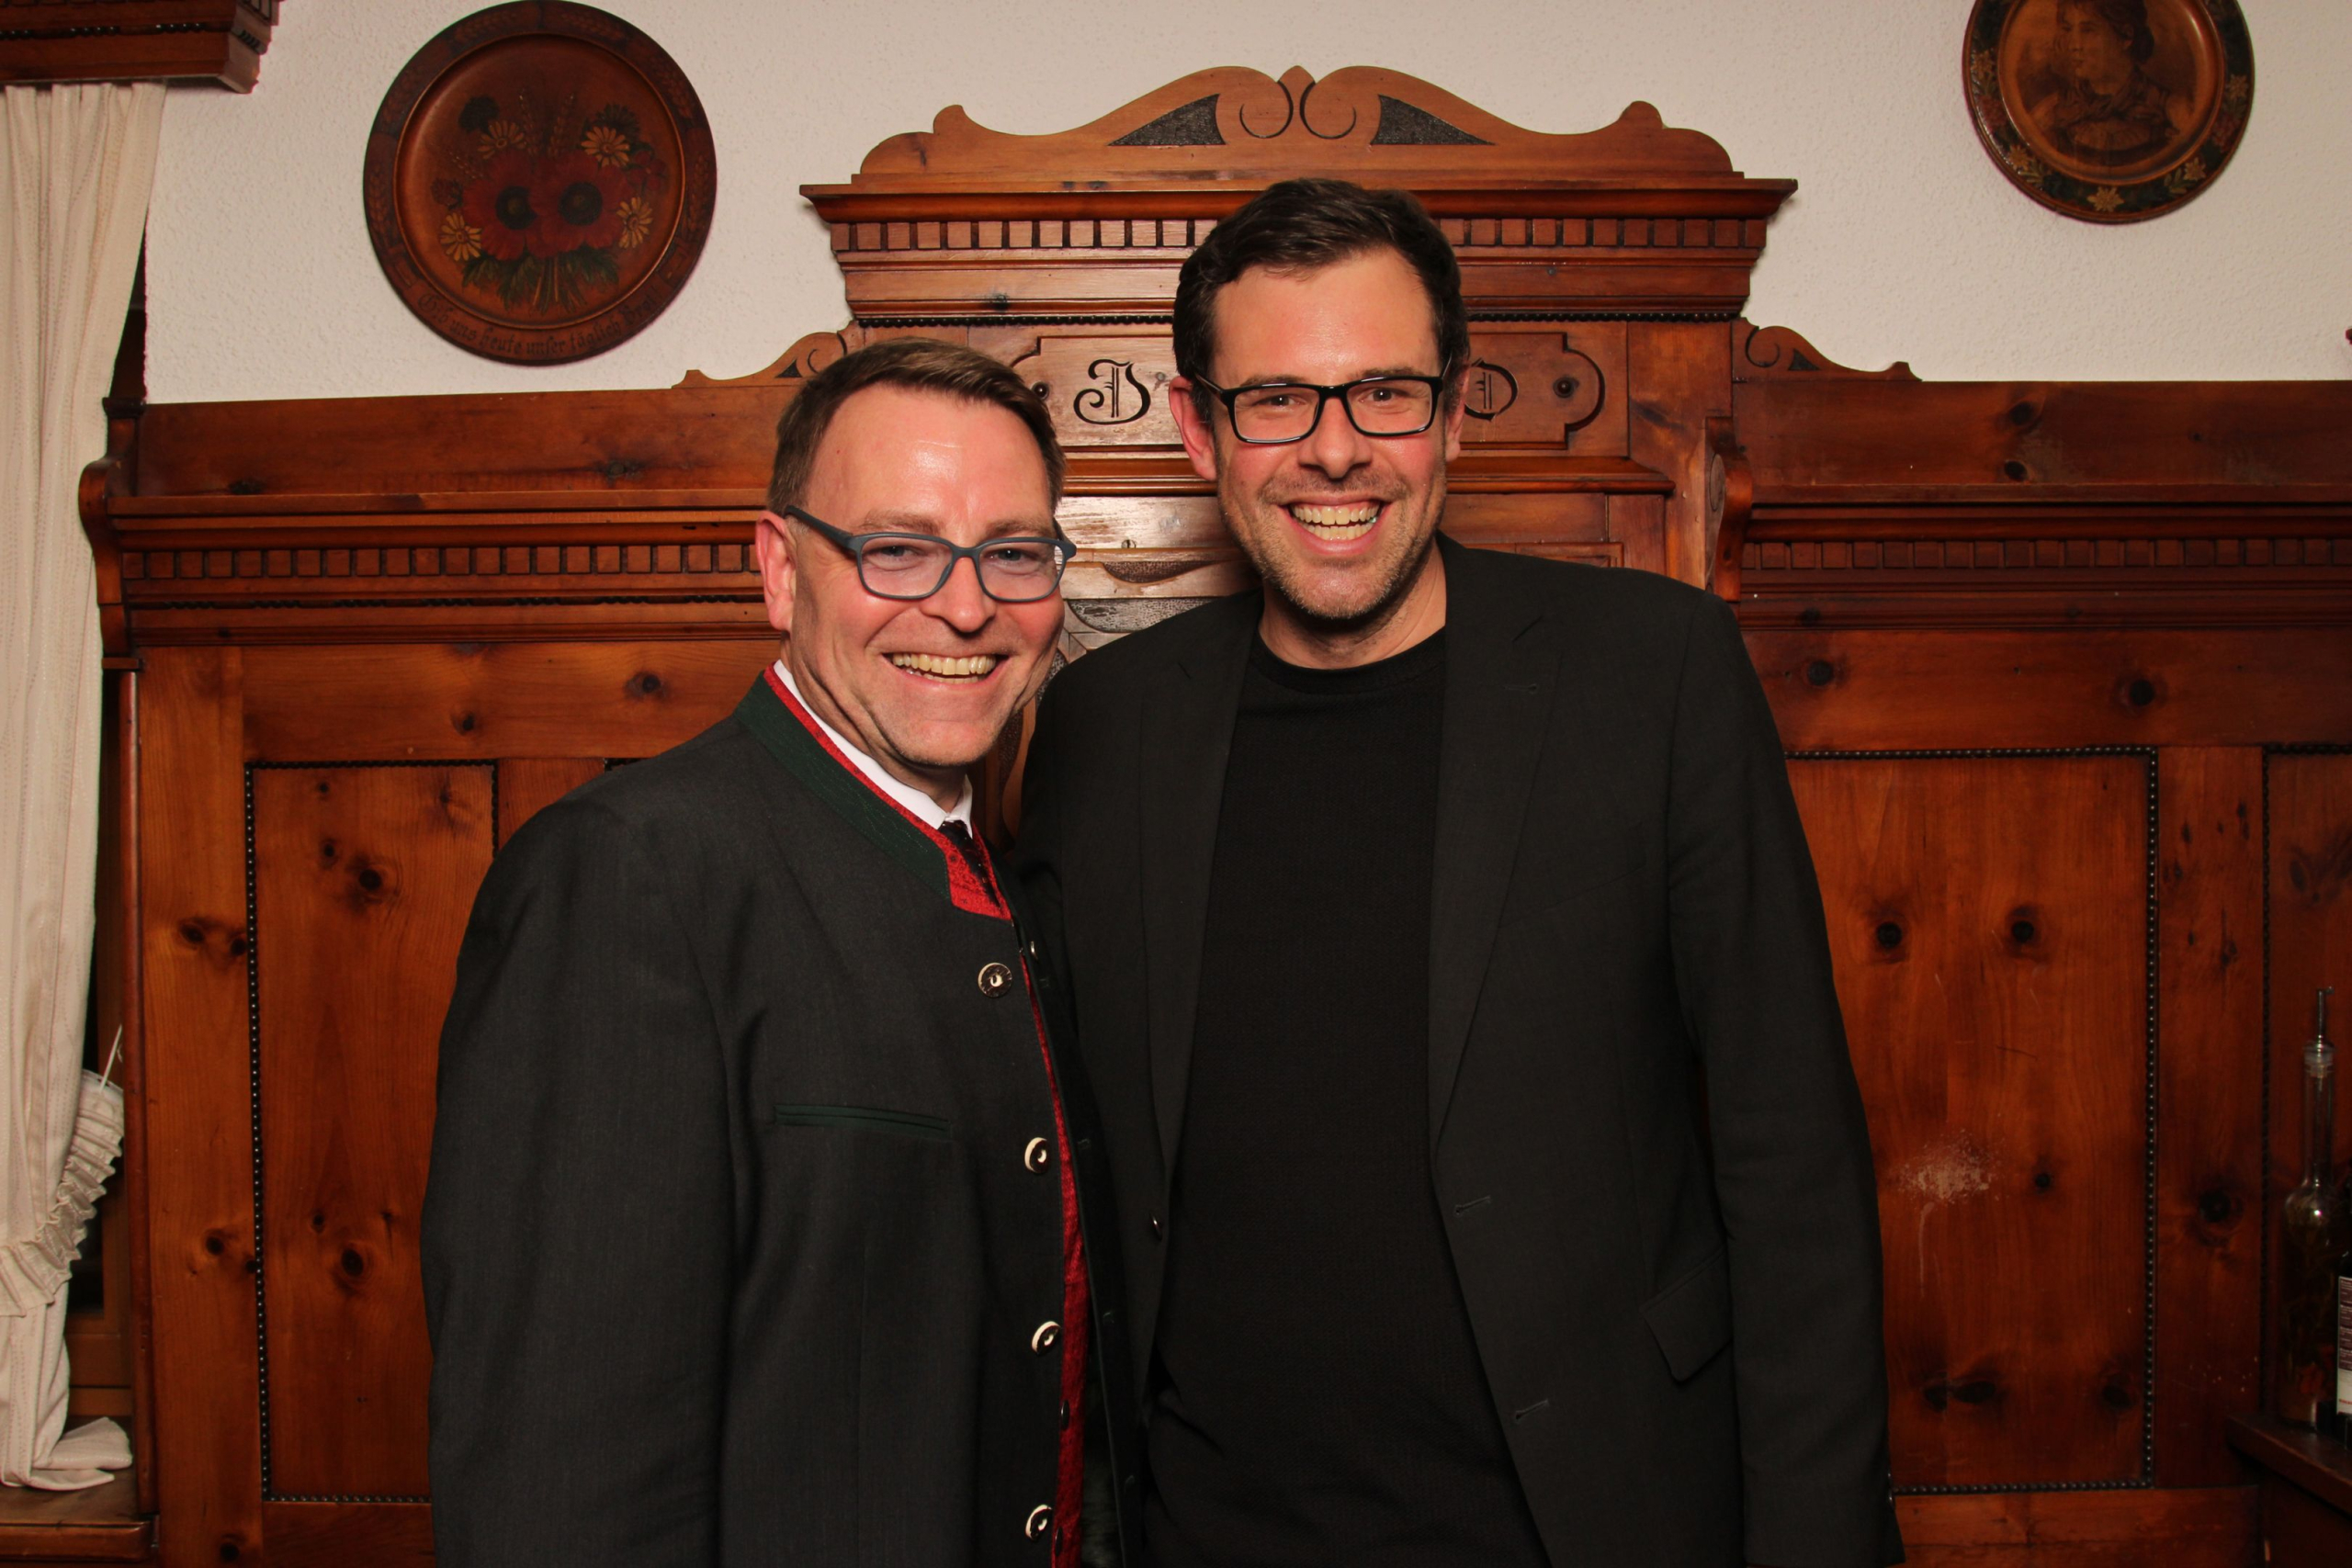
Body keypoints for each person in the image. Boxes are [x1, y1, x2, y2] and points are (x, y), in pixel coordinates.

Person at [1012, 178, 1902, 1568]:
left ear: (1454, 410)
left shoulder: (1653, 675)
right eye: (1276, 400)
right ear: (1198, 428)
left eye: (1385, 393)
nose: (1336, 451)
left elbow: (1791, 1162)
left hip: (1591, 1522)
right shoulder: (1100, 723)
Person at [424, 338, 1135, 1568]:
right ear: (779, 566)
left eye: (1015, 552)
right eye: (897, 548)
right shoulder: (633, 876)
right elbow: (562, 1481)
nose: (968, 606)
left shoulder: (1006, 881)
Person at [2028, 0, 2196, 170]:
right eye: (2068, 29)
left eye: (2088, 30)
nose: (2073, 45)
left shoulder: (2176, 114)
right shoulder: (2050, 114)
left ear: (2126, 37)